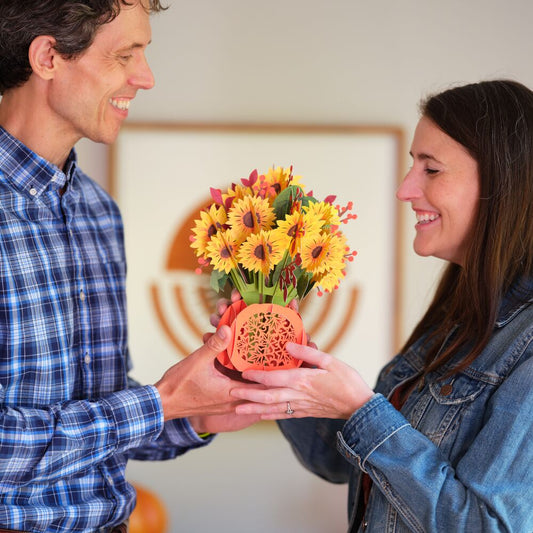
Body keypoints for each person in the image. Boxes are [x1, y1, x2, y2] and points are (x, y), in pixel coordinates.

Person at [229, 80, 533, 532]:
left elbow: (486, 525)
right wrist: (283, 356)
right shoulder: (458, 315)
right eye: (414, 166)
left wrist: (360, 411)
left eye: (431, 170)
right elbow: (342, 463)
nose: (405, 189)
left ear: (501, 183)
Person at [0, 1, 258, 531]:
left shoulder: (97, 211)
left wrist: (195, 414)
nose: (145, 77)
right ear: (48, 56)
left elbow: (96, 415)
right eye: (124, 55)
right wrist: (162, 401)